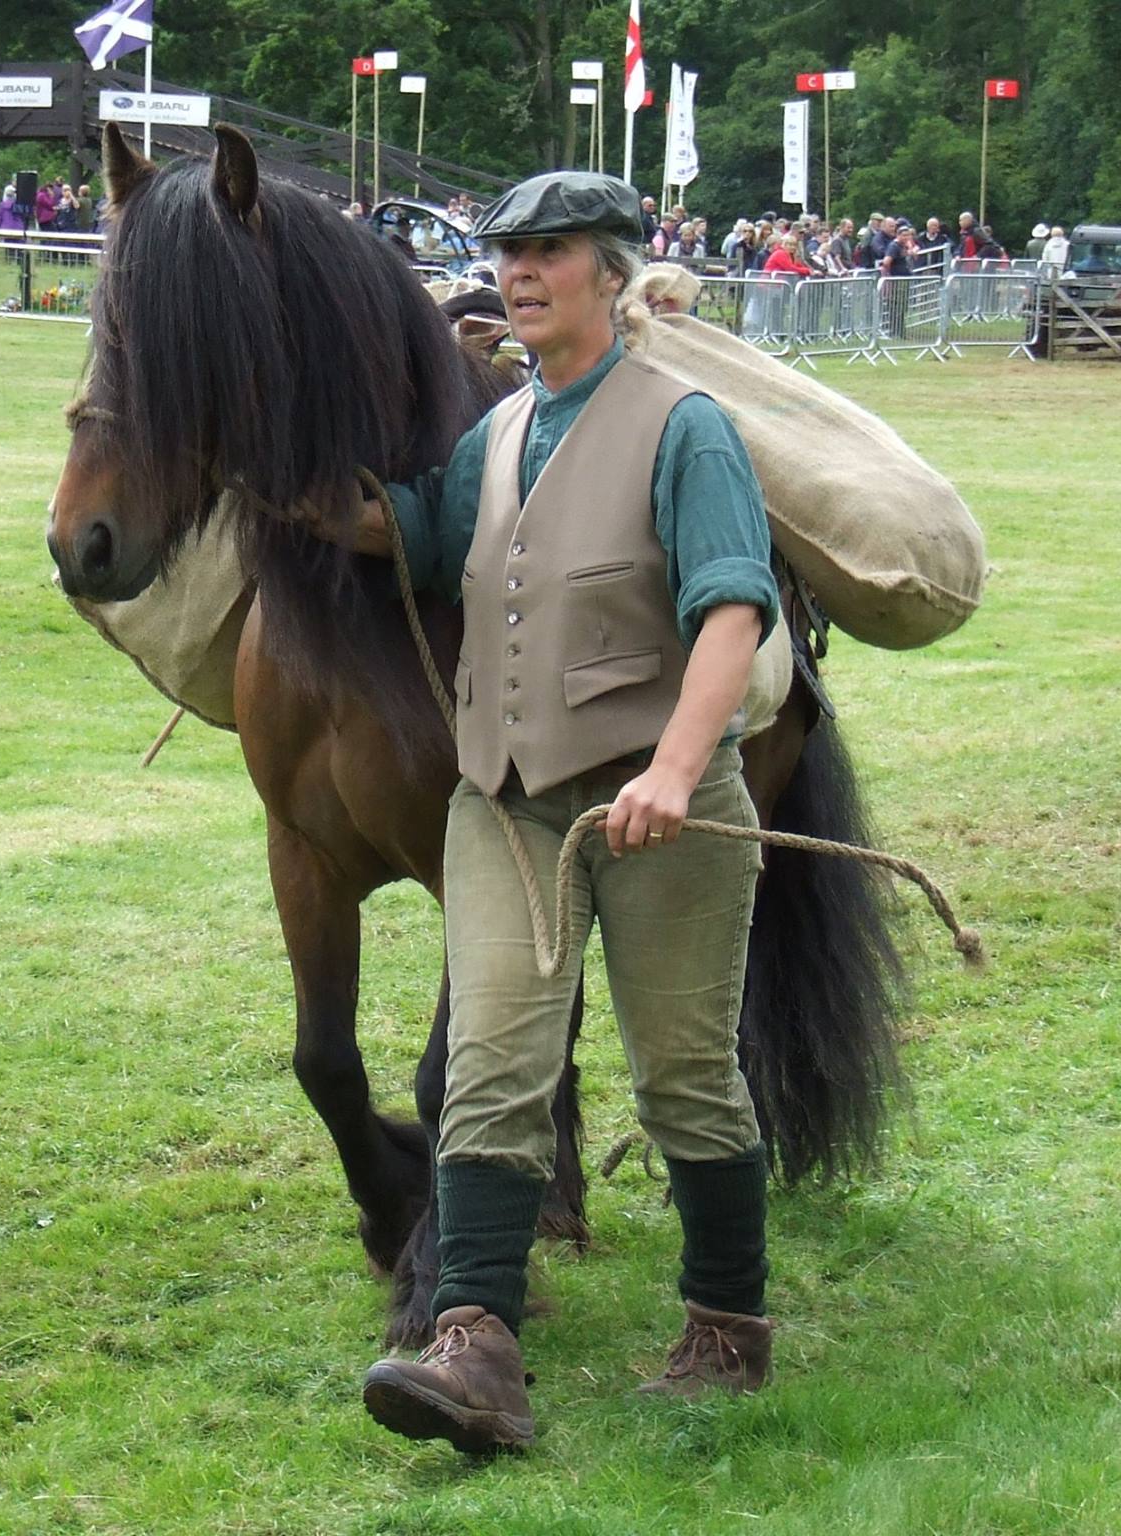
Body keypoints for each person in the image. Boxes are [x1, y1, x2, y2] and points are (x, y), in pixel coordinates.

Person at [304, 171, 783, 1453]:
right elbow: (418, 531)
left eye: (548, 253)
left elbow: (733, 606)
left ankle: (727, 1328)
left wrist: (677, 771)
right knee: (489, 1072)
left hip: (662, 806)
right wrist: (295, 481)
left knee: (683, 1077)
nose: (517, 273)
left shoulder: (686, 428)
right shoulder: (499, 433)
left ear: (614, 274)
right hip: (503, 804)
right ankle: (474, 1348)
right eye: (505, 253)